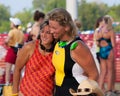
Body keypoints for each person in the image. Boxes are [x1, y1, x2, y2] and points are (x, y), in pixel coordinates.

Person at [48, 8, 99, 96]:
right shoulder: (58, 43)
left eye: (54, 28)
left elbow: (94, 74)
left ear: (66, 27)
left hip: (76, 91)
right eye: (50, 27)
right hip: (60, 91)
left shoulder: (77, 47)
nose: (51, 31)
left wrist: (84, 93)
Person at [12, 20, 56, 96]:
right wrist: (14, 93)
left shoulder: (57, 51)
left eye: (48, 33)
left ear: (54, 35)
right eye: (42, 32)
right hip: (25, 93)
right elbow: (17, 69)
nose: (44, 35)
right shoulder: (30, 47)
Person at [94, 15, 116, 95]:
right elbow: (113, 44)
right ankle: (109, 90)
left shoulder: (99, 31)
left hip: (101, 51)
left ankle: (100, 89)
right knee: (110, 71)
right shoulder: (110, 31)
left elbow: (96, 42)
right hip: (108, 50)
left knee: (103, 71)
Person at [4, 17, 24, 85]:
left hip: (12, 50)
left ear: (14, 24)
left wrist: (6, 43)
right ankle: (20, 85)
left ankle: (7, 84)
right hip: (19, 51)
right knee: (18, 70)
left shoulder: (12, 31)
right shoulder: (21, 33)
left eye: (11, 22)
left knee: (8, 69)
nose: (11, 23)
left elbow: (6, 40)